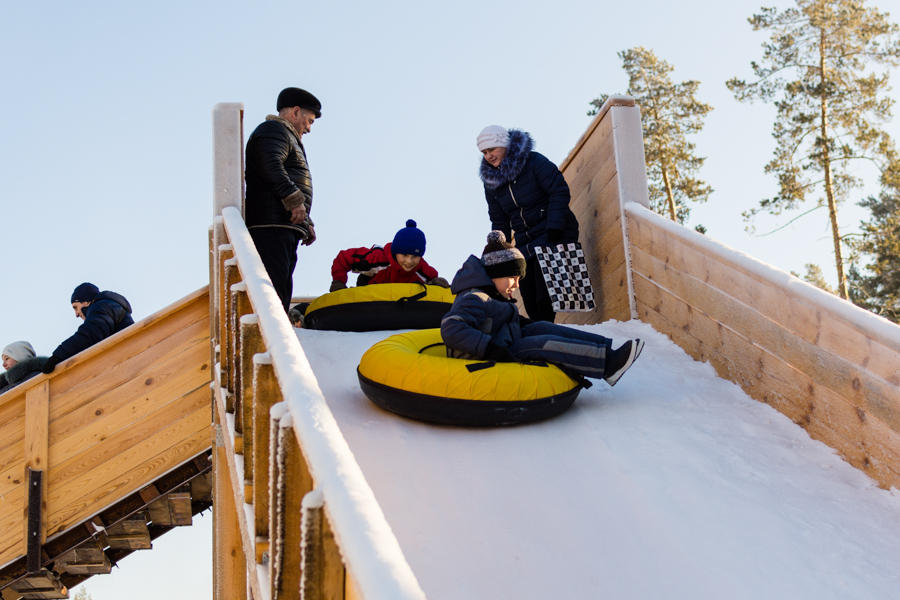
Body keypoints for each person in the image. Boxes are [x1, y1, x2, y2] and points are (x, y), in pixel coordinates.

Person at [440, 232, 643, 386]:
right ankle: (608, 366)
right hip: (489, 354)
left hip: (504, 341)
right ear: (496, 273)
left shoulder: (491, 295)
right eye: (514, 277)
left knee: (543, 327)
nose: (516, 285)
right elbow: (451, 328)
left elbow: (497, 320)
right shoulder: (475, 297)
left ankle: (606, 348)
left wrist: (521, 323)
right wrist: (489, 348)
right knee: (539, 343)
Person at [477, 125, 580, 323]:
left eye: (492, 149)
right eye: (485, 152)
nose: (489, 156)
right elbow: (499, 219)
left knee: (544, 293)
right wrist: (499, 250)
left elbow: (558, 190)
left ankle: (546, 332)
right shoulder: (491, 182)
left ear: (504, 145)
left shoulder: (533, 162)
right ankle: (541, 332)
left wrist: (555, 225)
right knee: (529, 295)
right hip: (525, 240)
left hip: (554, 230)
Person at [245, 87, 322, 312]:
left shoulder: (284, 135)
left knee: (282, 286)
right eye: (309, 121)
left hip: (283, 225)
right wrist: (294, 200)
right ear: (296, 112)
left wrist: (306, 222)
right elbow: (271, 166)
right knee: (273, 287)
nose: (308, 128)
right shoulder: (273, 130)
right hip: (271, 225)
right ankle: (270, 340)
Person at [329, 220, 449, 292]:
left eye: (415, 256)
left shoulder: (423, 270)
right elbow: (343, 258)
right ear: (396, 251)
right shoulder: (377, 259)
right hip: (369, 292)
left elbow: (433, 279)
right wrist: (338, 282)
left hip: (399, 301)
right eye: (405, 255)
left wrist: (436, 284)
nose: (409, 261)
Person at [42, 283, 135, 374]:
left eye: (76, 307)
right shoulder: (110, 306)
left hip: (128, 364)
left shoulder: (101, 306)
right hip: (129, 361)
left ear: (87, 302)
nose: (76, 314)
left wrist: (57, 357)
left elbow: (90, 335)